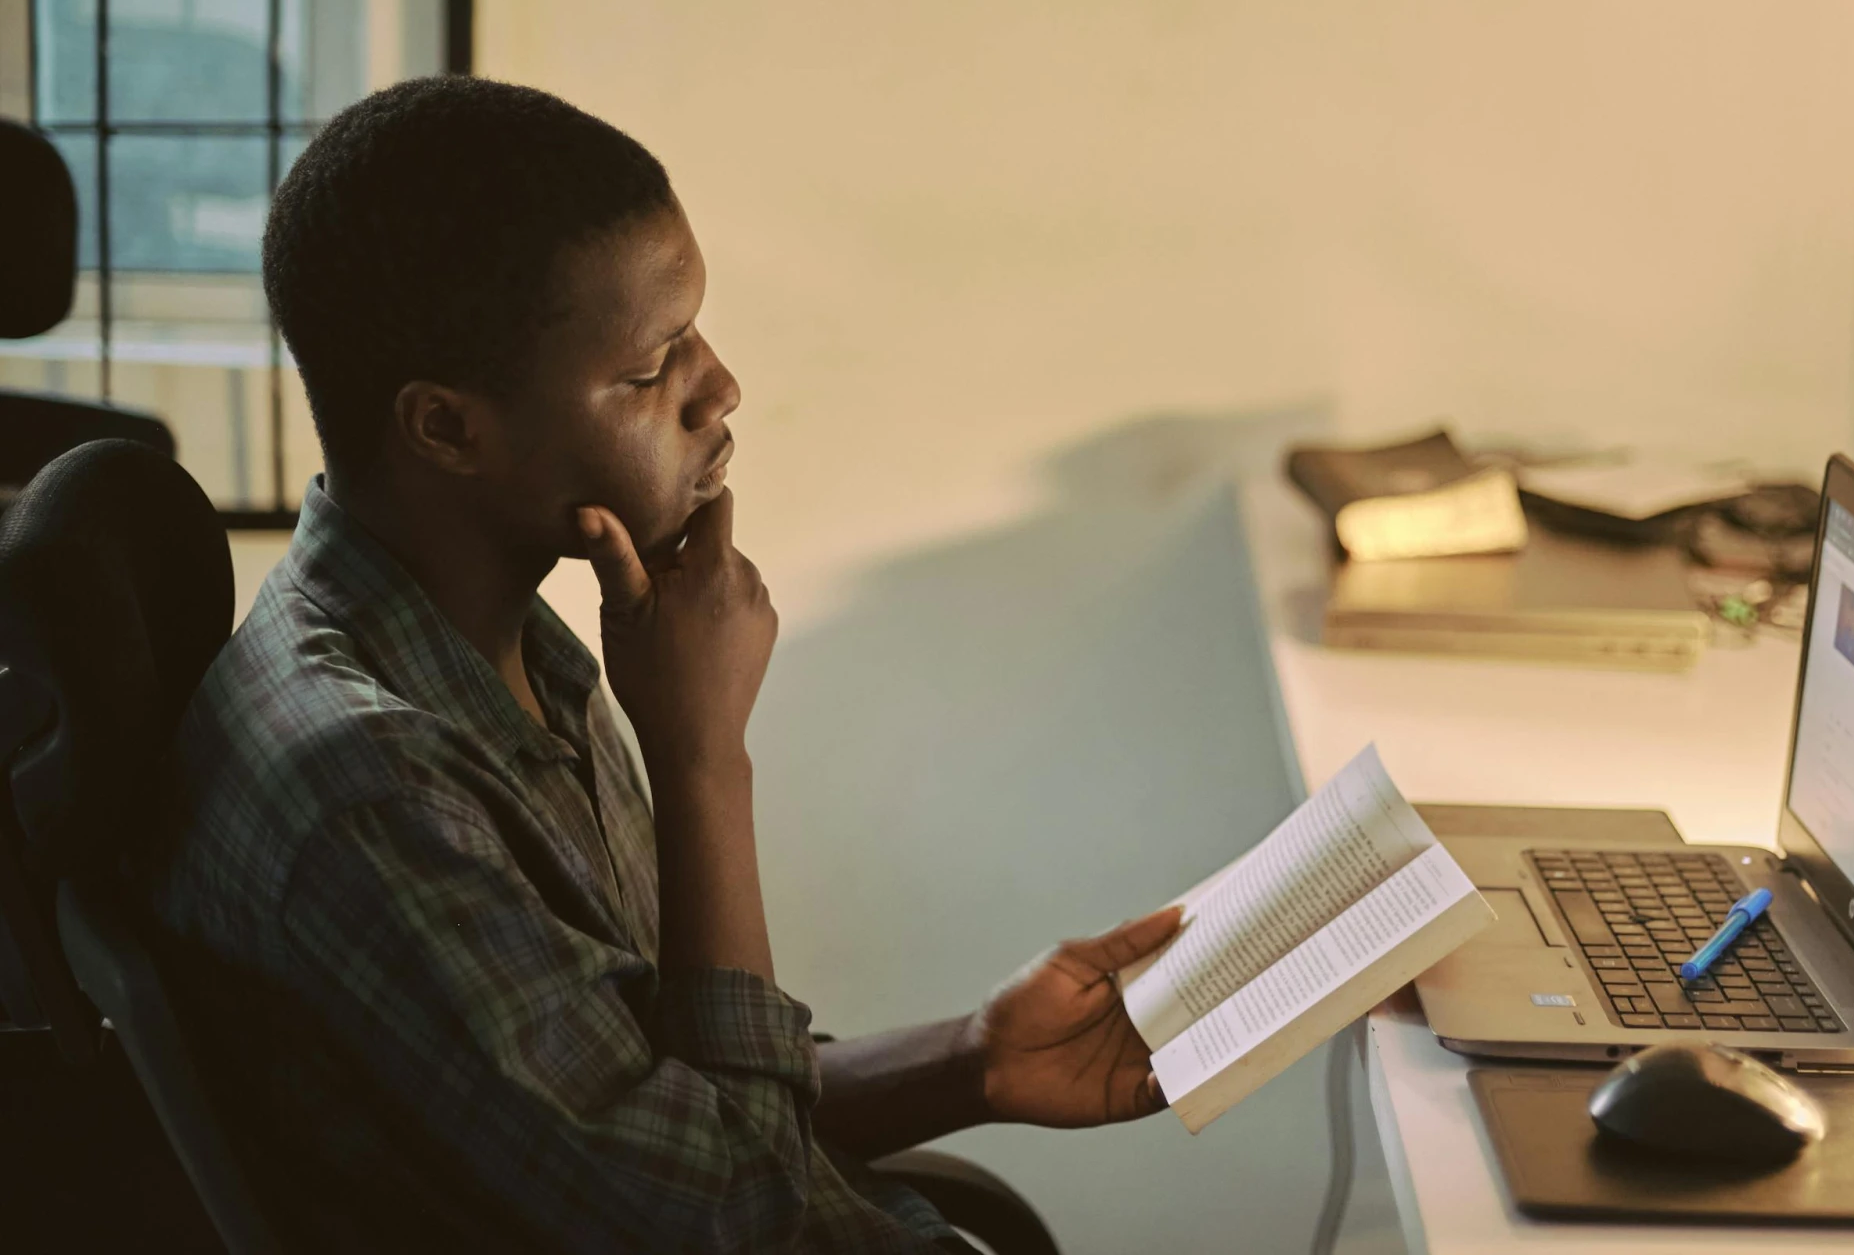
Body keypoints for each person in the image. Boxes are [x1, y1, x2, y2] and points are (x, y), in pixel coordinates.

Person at [149, 76, 1182, 1252]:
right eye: (651, 368)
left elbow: (665, 1092)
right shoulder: (372, 791)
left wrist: (974, 1058)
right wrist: (701, 756)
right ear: (446, 428)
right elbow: (735, 1214)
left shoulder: (505, 640)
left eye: (693, 331)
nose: (719, 387)